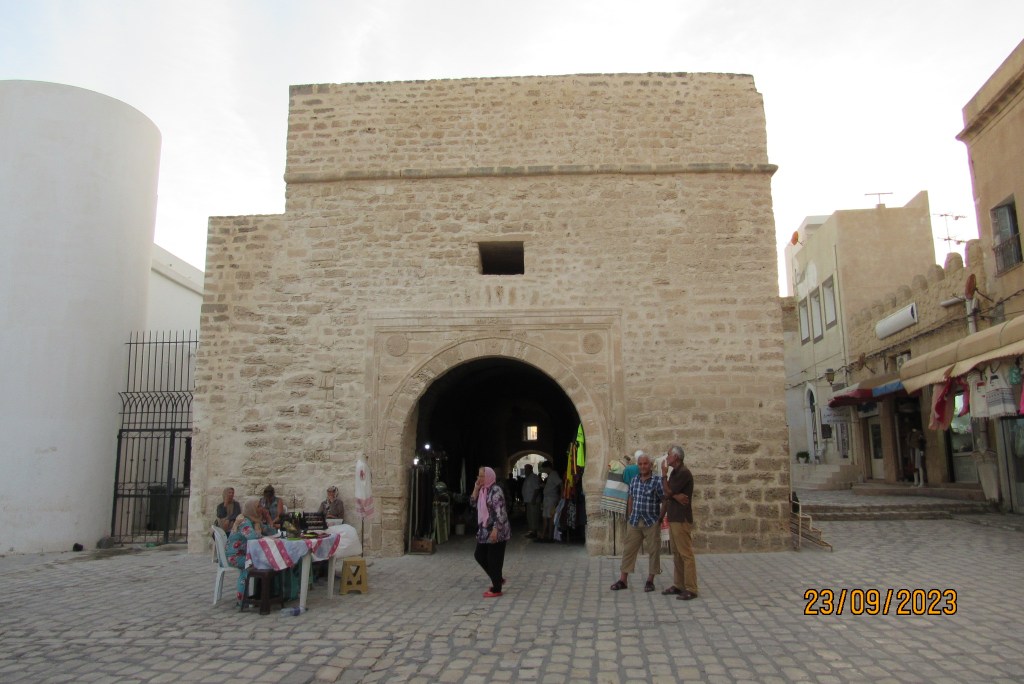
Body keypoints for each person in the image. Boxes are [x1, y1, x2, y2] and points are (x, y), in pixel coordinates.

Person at [610, 452, 664, 592]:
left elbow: (665, 500)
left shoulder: (657, 481)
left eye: (645, 464)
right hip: (634, 521)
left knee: (653, 551)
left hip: (651, 521)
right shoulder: (634, 480)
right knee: (629, 550)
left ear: (650, 465)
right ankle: (623, 579)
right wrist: (629, 515)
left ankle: (650, 580)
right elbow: (631, 498)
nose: (642, 466)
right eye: (640, 464)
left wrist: (660, 518)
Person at [660, 444, 699, 600]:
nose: (667, 457)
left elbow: (667, 491)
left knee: (686, 554)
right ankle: (679, 584)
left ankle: (691, 588)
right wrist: (674, 496)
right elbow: (671, 494)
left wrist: (663, 475)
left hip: (681, 518)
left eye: (669, 454)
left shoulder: (683, 473)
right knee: (676, 553)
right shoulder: (676, 472)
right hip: (674, 517)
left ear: (676, 457)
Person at [471, 467, 510, 598]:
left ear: (488, 477)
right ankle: (497, 578)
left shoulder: (495, 491)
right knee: (479, 555)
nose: (479, 479)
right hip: (484, 530)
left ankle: (496, 588)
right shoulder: (483, 490)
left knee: (494, 560)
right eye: (478, 476)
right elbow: (472, 503)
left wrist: (495, 530)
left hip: (496, 530)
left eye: (481, 476)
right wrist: (476, 488)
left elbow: (501, 512)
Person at [225, 497, 266, 603]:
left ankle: (259, 594)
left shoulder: (253, 520)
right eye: (258, 506)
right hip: (235, 556)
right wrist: (258, 530)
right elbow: (253, 538)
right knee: (251, 564)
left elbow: (264, 531)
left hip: (244, 554)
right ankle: (242, 599)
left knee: (264, 562)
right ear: (251, 508)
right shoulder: (244, 521)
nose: (261, 508)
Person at [538, 462, 562, 542]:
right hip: (548, 498)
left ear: (547, 467)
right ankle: (546, 535)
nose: (544, 470)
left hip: (551, 499)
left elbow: (560, 483)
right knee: (546, 517)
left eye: (544, 468)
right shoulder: (551, 475)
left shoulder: (553, 474)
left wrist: (561, 496)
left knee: (549, 517)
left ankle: (548, 536)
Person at [521, 464, 542, 538]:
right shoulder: (528, 477)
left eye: (526, 469)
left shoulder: (533, 477)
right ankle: (532, 531)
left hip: (533, 501)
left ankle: (534, 532)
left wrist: (533, 498)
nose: (525, 471)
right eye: (525, 469)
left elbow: (537, 489)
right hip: (529, 501)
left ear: (530, 469)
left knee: (534, 516)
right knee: (530, 517)